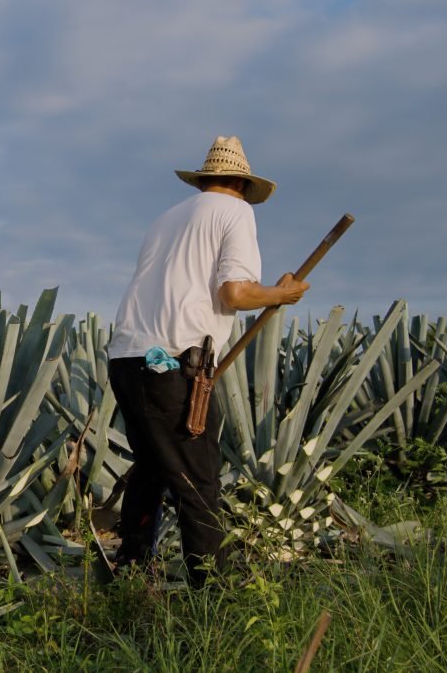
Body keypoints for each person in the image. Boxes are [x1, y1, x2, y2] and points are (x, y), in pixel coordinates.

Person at [107, 135, 309, 587]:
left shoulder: (166, 219)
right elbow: (234, 293)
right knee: (198, 481)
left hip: (126, 357)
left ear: (206, 180)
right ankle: (212, 595)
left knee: (153, 467)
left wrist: (273, 292)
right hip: (175, 362)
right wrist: (283, 294)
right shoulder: (236, 212)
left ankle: (131, 571)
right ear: (241, 182)